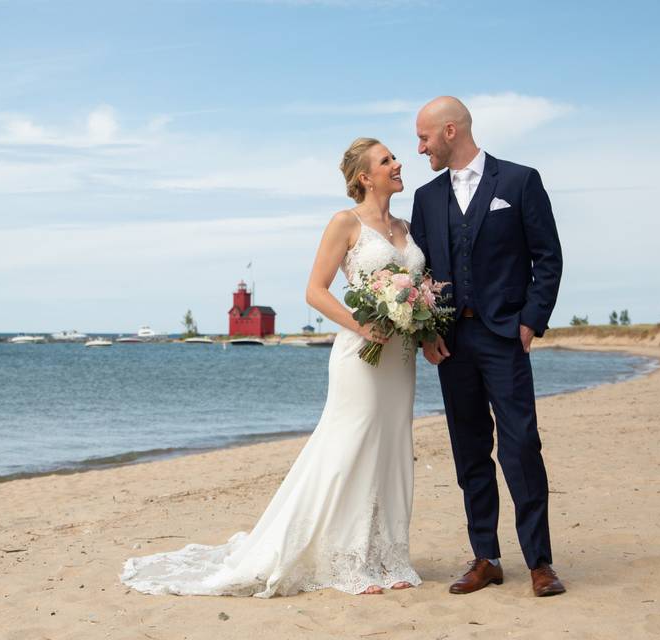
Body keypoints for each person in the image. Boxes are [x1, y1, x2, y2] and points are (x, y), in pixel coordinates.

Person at [120, 138, 426, 597]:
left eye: (394, 157)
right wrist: (361, 325)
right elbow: (315, 292)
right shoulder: (345, 223)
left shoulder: (406, 226)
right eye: (387, 160)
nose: (398, 163)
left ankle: (387, 555)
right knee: (348, 449)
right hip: (361, 357)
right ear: (365, 177)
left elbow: (417, 288)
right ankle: (347, 558)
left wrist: (427, 325)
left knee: (393, 448)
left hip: (401, 358)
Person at [410, 96, 566, 597]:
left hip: (504, 338)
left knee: (521, 446)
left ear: (450, 131)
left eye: (425, 138)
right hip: (453, 344)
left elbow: (549, 257)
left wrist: (530, 322)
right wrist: (426, 330)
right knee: (470, 450)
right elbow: (422, 273)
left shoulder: (519, 181)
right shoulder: (426, 197)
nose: (419, 148)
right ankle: (486, 558)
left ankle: (540, 563)